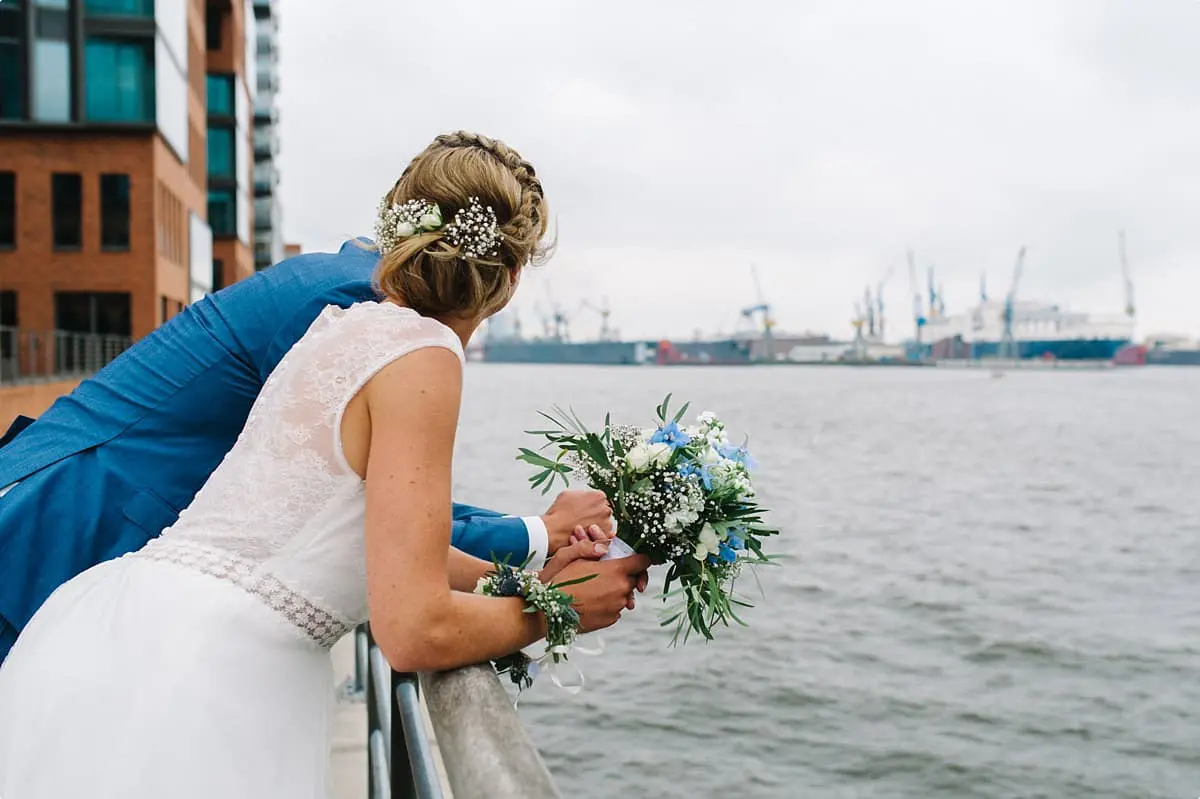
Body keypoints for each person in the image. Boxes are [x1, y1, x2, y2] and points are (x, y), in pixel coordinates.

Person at [0, 131, 652, 797]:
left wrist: (521, 579)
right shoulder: (424, 354)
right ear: (510, 282)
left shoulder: (342, 325)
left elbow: (366, 527)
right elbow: (412, 629)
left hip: (127, 628)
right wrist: (560, 609)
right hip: (206, 674)